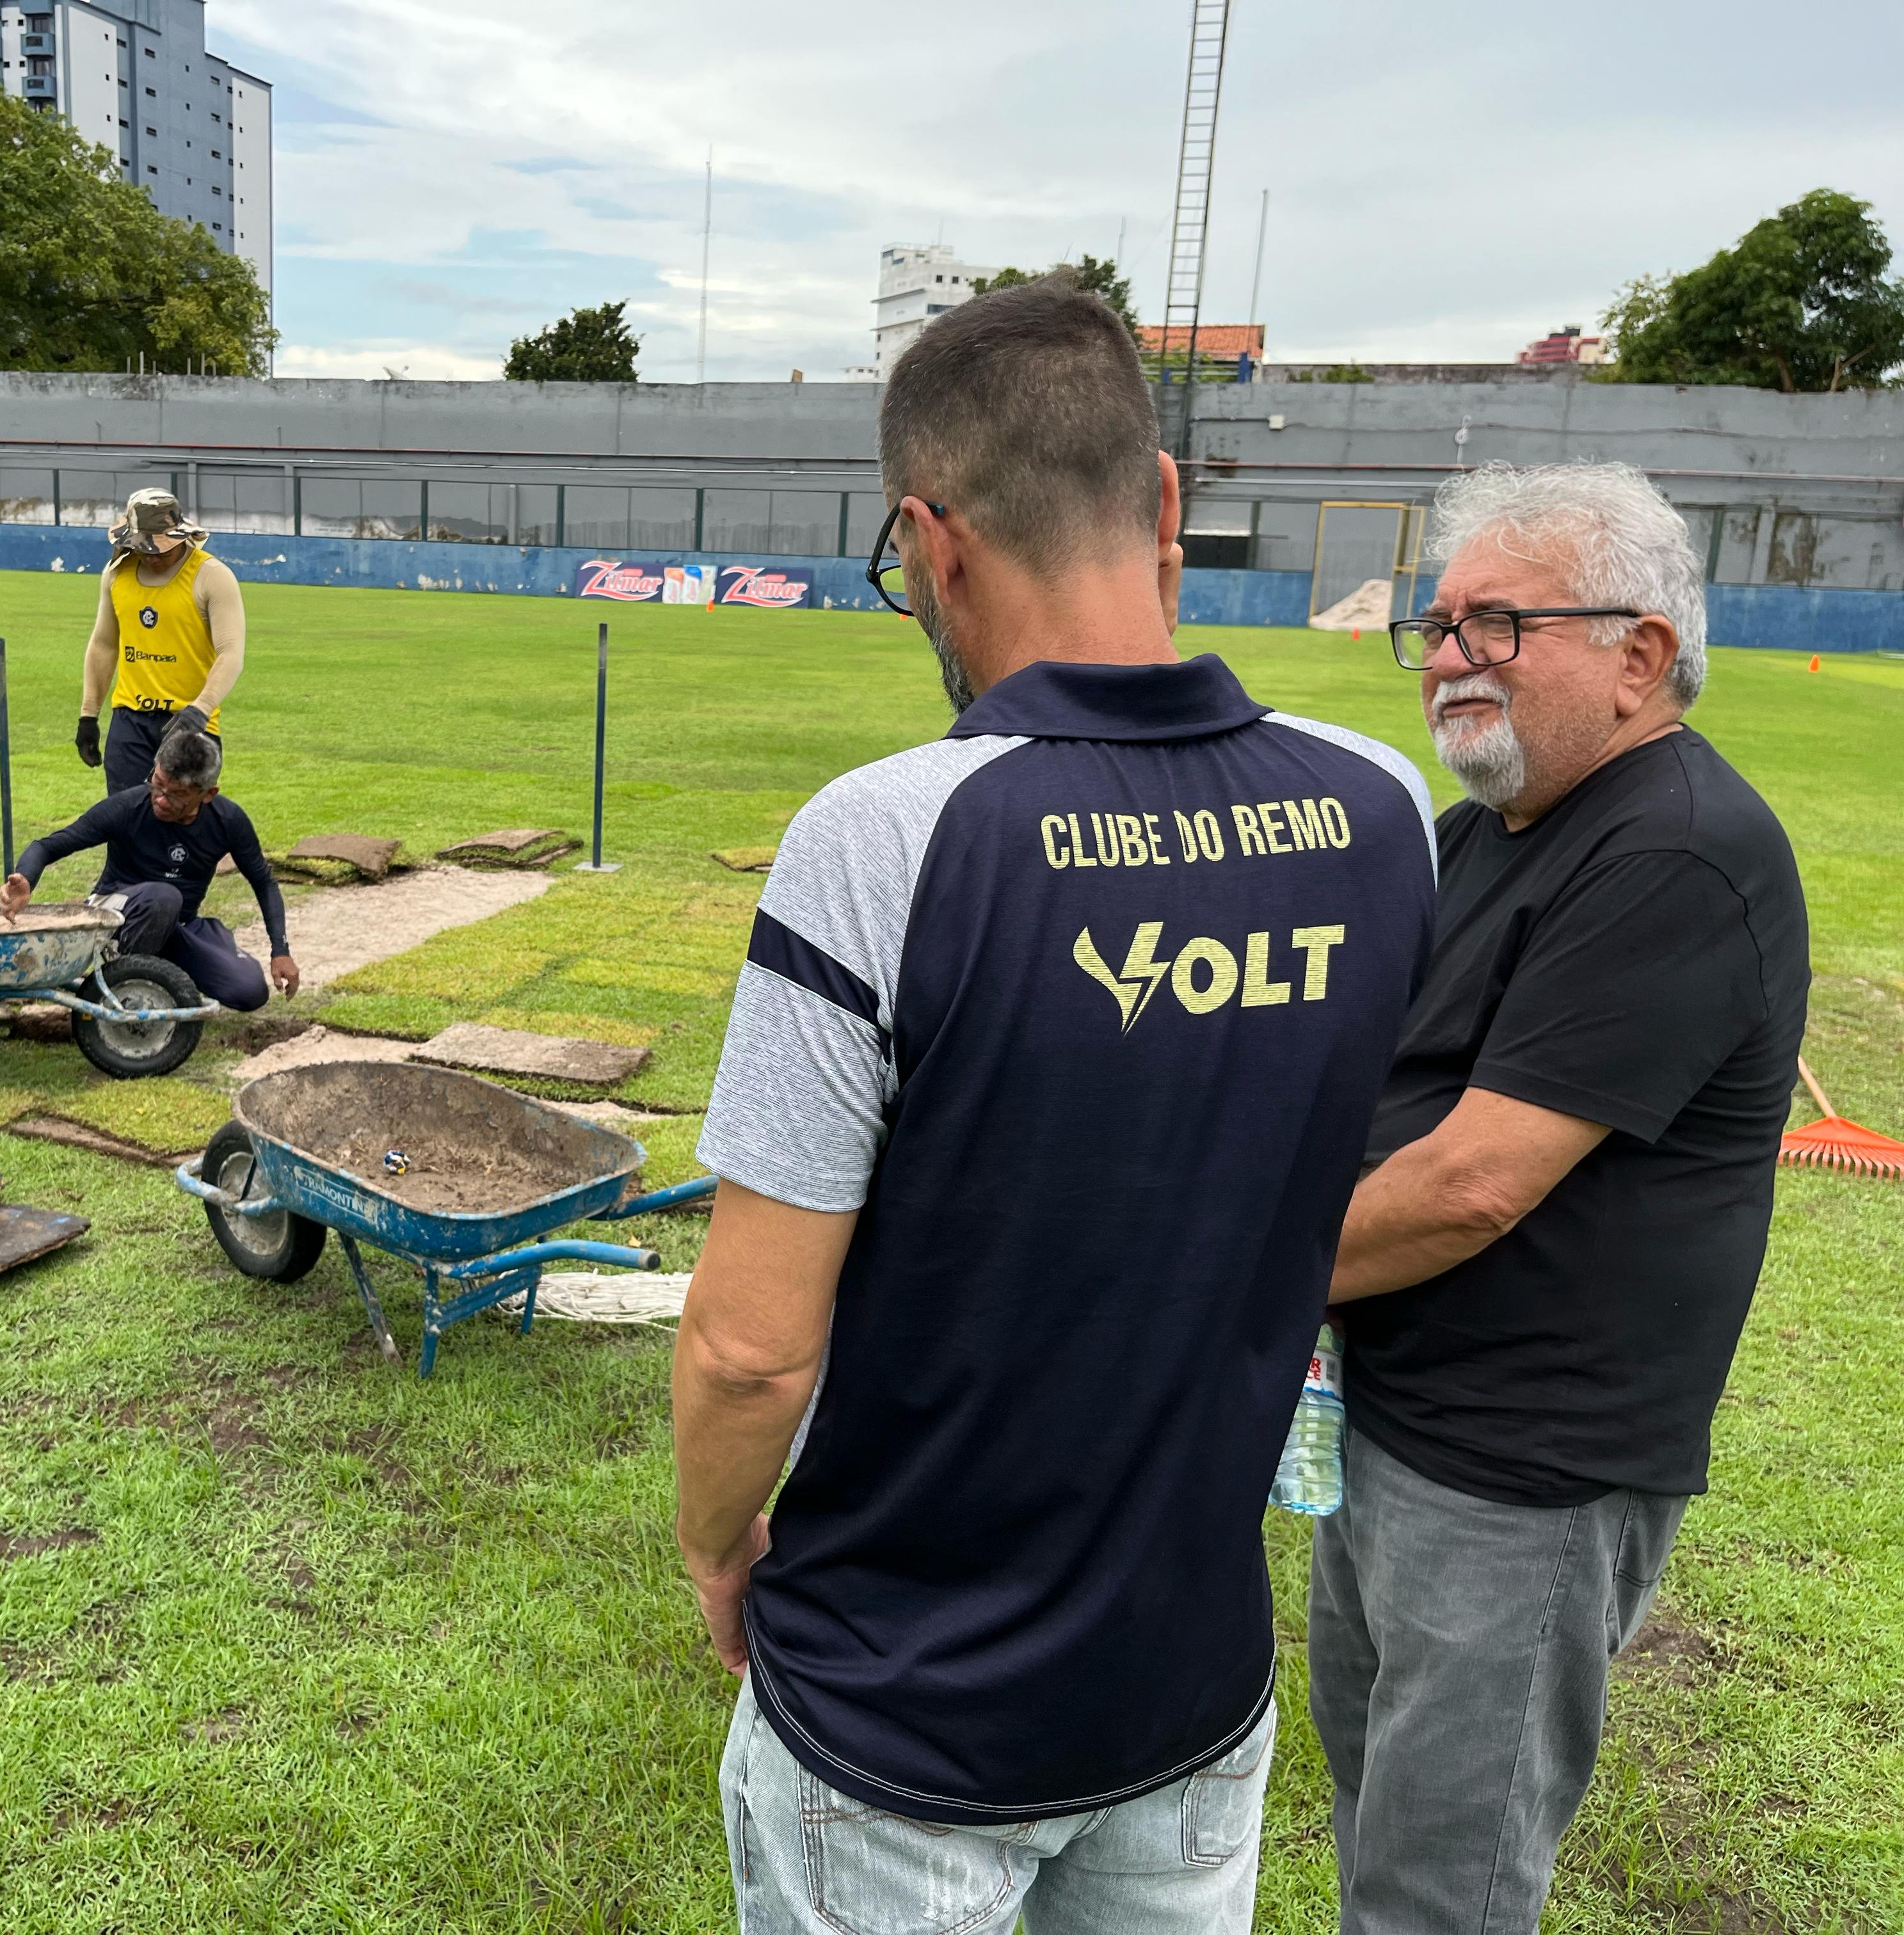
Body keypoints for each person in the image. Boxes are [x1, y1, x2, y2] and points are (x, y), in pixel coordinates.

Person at [673, 272, 1439, 1935]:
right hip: (1190, 1685)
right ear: (1165, 506)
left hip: (897, 1722)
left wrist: (716, 1545)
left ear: (931, 544)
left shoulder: (883, 841)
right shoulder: (1384, 813)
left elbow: (748, 1347)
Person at [1313, 463, 1809, 1935]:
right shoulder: (1485, 833)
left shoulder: (1677, 850)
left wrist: (1216, 1265)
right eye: (1441, 622)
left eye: (1500, 624)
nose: (1451, 655)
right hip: (1397, 1425)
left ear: (1641, 656)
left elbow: (1473, 1186)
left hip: (1525, 1480)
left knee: (1438, 1893)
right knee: (1379, 1818)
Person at [0, 722, 298, 1010]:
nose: (162, 800)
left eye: (177, 794)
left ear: (208, 794)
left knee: (249, 991)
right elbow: (47, 846)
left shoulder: (229, 821)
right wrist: (26, 878)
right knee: (164, 897)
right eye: (157, 785)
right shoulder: (128, 807)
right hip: (115, 916)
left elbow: (264, 882)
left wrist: (280, 950)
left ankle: (166, 969)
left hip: (179, 924)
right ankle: (123, 981)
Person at [76, 487, 248, 792]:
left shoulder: (212, 576)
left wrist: (200, 709)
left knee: (183, 818)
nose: (153, 558)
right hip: (129, 721)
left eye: (162, 550)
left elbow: (230, 653)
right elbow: (104, 644)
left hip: (191, 722)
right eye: (144, 549)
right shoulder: (117, 574)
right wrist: (88, 715)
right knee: (126, 821)